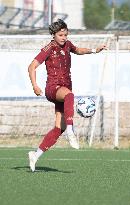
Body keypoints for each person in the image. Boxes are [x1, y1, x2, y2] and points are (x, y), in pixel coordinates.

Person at [28, 19, 107, 172]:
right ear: (53, 35)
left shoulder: (68, 44)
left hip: (63, 90)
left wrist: (94, 50)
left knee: (58, 128)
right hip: (53, 88)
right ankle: (71, 131)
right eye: (60, 35)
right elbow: (32, 66)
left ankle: (35, 155)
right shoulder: (49, 48)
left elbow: (78, 50)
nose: (63, 37)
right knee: (70, 96)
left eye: (65, 34)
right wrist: (35, 85)